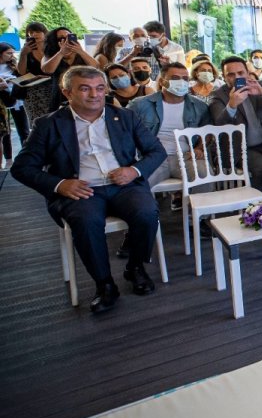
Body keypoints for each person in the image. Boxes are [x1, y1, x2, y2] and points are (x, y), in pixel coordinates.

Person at [12, 65, 165, 313]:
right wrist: (60, 184)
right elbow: (22, 168)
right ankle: (104, 284)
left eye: (100, 88)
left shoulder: (124, 117)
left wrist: (134, 171)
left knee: (147, 213)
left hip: (123, 185)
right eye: (85, 89)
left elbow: (156, 151)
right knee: (86, 221)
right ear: (67, 92)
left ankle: (135, 267)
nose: (94, 95)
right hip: (81, 189)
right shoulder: (49, 124)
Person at [129, 63, 213, 199]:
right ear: (162, 81)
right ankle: (150, 212)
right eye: (175, 78)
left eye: (185, 78)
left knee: (204, 174)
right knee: (137, 184)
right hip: (152, 157)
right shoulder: (140, 105)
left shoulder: (199, 106)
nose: (181, 82)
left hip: (185, 156)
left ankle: (199, 212)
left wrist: (199, 148)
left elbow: (207, 132)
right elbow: (125, 130)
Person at [210, 55, 262, 195]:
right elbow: (219, 124)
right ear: (224, 77)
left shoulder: (258, 85)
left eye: (241, 73)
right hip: (243, 148)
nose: (237, 77)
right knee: (260, 169)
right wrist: (231, 105)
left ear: (247, 72)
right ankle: (261, 204)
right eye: (231, 74)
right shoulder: (218, 95)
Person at [42, 27, 101, 112]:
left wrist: (80, 51)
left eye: (68, 37)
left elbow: (96, 67)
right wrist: (61, 53)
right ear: (54, 41)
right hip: (60, 95)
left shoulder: (80, 54)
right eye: (62, 38)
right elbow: (48, 70)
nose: (66, 40)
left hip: (82, 94)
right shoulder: (50, 55)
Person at [16, 23, 56, 127]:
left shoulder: (52, 48)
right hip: (34, 91)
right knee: (37, 123)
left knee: (53, 120)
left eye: (38, 31)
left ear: (45, 33)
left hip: (53, 88)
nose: (34, 34)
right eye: (31, 32)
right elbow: (21, 72)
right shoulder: (27, 50)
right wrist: (23, 54)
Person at [0, 42, 31, 146]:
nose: (12, 56)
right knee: (5, 133)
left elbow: (22, 77)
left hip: (17, 100)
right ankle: (8, 156)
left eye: (13, 53)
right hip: (2, 102)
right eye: (9, 53)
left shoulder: (14, 65)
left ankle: (26, 152)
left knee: (24, 130)